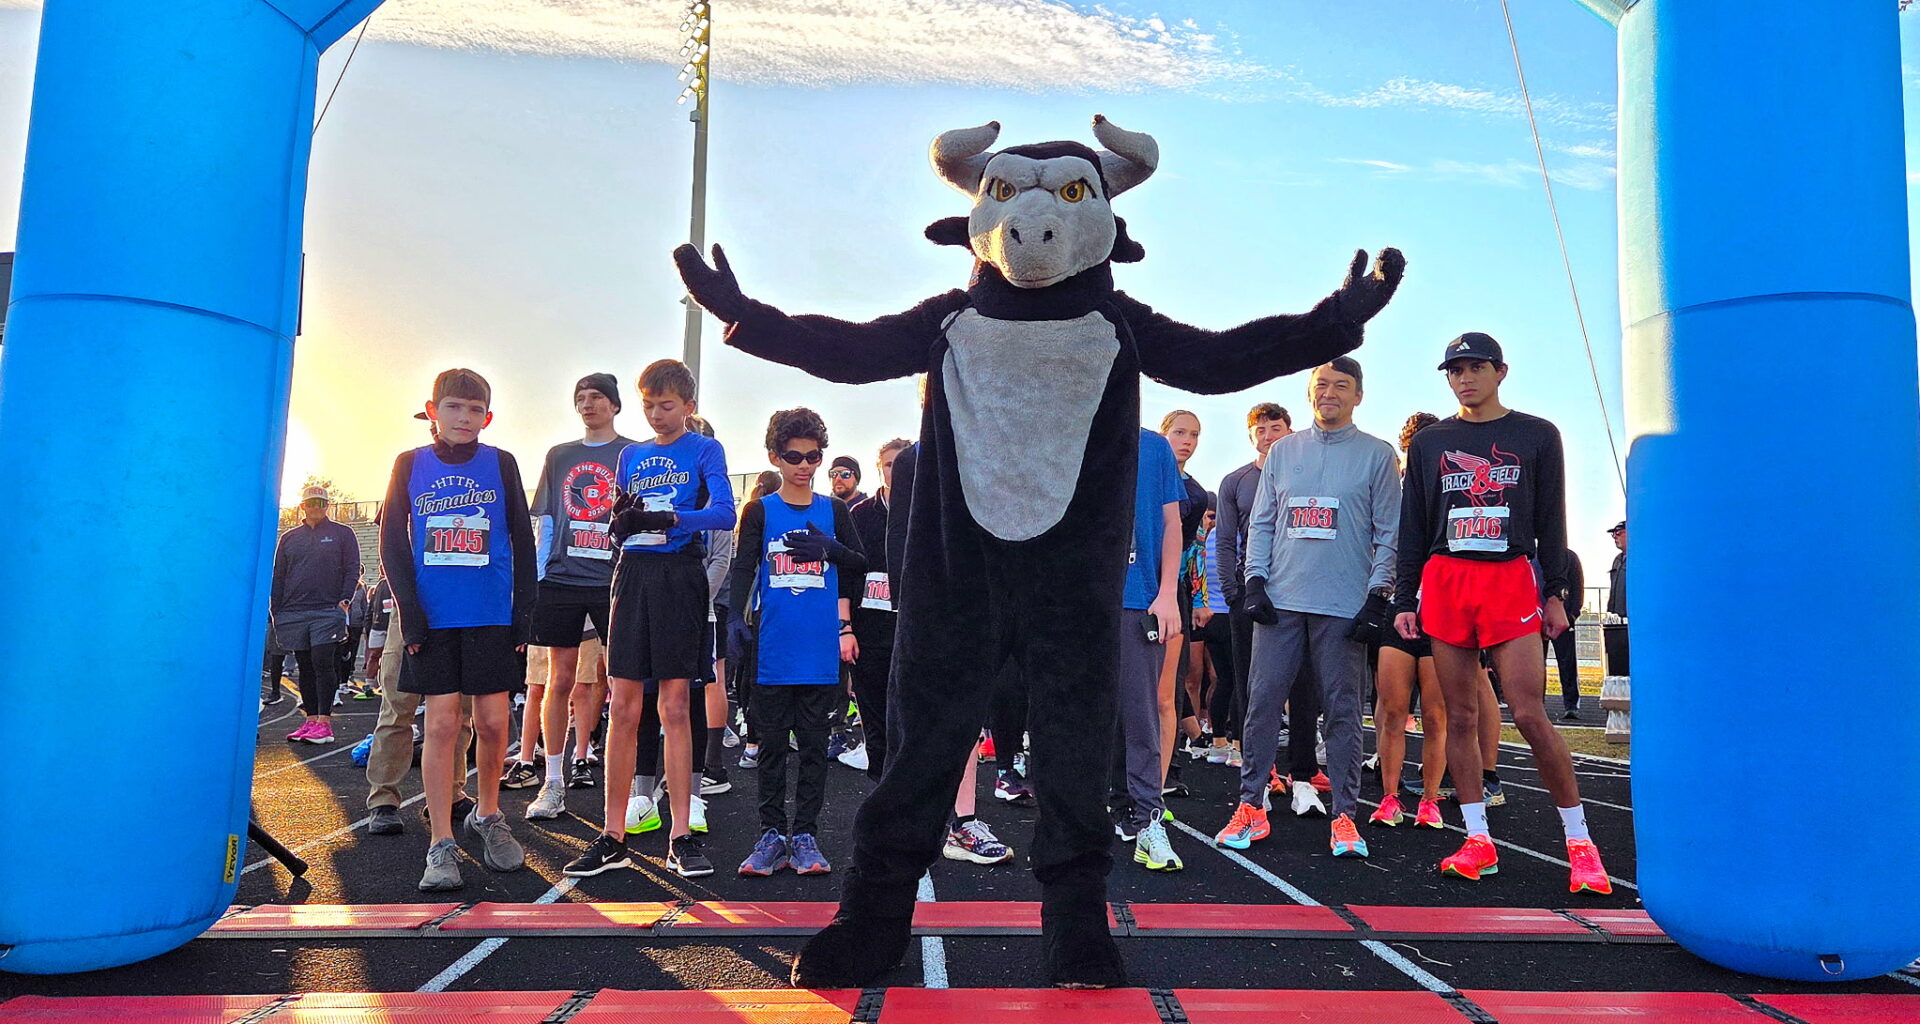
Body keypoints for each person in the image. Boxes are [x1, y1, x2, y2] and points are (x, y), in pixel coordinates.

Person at [1393, 333, 1612, 893]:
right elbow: (1414, 524)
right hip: (1446, 579)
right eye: (1454, 370)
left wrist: (1557, 591)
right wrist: (1404, 598)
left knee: (1529, 711)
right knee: (1460, 716)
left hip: (1511, 578)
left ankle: (1581, 844)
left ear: (1500, 371)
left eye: (1476, 367)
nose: (1464, 377)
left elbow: (1551, 519)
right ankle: (1476, 837)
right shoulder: (1431, 442)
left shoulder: (1537, 434)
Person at [1216, 357, 1399, 859]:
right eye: (1321, 385)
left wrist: (1378, 594)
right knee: (1261, 705)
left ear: (1358, 395)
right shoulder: (1283, 452)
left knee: (1342, 711)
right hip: (1280, 602)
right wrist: (1254, 580)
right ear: (1309, 394)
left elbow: (1389, 533)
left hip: (1343, 606)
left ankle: (1344, 815)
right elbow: (1264, 524)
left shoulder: (1377, 455)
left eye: (1341, 386)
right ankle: (1250, 803)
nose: (1330, 393)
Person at [566, 360, 735, 880]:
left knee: (677, 705)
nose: (657, 415)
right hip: (632, 576)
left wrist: (670, 517)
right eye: (649, 405)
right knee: (623, 705)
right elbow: (619, 522)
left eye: (667, 405)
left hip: (680, 576)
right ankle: (612, 833)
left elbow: (725, 512)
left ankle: (681, 833)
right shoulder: (631, 455)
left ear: (688, 406)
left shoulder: (705, 449)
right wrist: (621, 523)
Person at [380, 367, 535, 890]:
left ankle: (488, 814)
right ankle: (440, 841)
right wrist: (410, 609)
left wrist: (524, 612)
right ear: (432, 411)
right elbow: (391, 544)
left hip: (491, 613)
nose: (464, 418)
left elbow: (522, 537)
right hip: (435, 616)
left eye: (474, 410)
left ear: (487, 417)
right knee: (442, 725)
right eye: (454, 407)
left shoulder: (502, 463)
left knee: (494, 724)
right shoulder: (409, 464)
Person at [730, 409, 865, 876]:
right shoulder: (759, 511)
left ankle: (805, 836)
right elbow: (743, 569)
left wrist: (828, 548)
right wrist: (734, 622)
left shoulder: (836, 510)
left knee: (812, 749)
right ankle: (770, 835)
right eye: (794, 456)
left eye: (813, 456)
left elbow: (860, 564)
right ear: (775, 457)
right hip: (772, 651)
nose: (804, 465)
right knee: (769, 748)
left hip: (818, 654)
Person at [521, 374, 634, 817]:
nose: (588, 405)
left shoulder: (631, 453)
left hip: (613, 579)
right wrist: (537, 577)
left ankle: (626, 792)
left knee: (621, 681)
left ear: (615, 406)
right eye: (581, 399)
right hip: (562, 580)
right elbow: (547, 520)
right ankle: (552, 782)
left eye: (597, 398)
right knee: (558, 679)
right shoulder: (560, 455)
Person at [1370, 412, 1447, 831]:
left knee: (1436, 714)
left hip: (1441, 610)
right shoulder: (1393, 492)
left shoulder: (1451, 491)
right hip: (1396, 607)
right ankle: (1389, 796)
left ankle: (1431, 798)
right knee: (1392, 710)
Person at [1113, 429, 1186, 871]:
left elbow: (1172, 523)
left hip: (1138, 598)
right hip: (1073, 604)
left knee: (1141, 718)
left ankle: (1147, 822)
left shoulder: (1153, 447)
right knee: (1070, 719)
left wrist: (1167, 593)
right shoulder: (1062, 428)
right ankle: (1070, 824)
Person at [270, 483, 361, 745]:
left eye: (321, 503)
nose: (316, 507)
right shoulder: (289, 538)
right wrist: (276, 609)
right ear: (303, 506)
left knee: (323, 661)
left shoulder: (343, 534)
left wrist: (344, 601)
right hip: (294, 610)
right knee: (305, 666)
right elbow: (279, 575)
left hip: (327, 610)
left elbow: (352, 568)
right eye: (312, 503)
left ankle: (325, 722)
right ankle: (310, 720)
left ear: (328, 506)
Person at [1157, 411, 1209, 802]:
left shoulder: (1197, 493)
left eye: (1193, 434)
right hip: (1134, 584)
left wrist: (1196, 598)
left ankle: (1168, 769)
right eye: (1179, 432)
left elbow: (1192, 551)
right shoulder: (1139, 475)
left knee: (1170, 688)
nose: (1186, 440)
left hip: (1173, 591)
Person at [1553, 551, 1586, 720]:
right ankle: (1537, 704)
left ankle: (1571, 704)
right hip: (1535, 620)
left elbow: (1578, 586)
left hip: (1563, 620)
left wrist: (1572, 615)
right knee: (1535, 664)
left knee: (1567, 663)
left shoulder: (1569, 557)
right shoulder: (1532, 557)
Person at [1607, 521, 1627, 618]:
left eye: (1618, 533)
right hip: (1617, 617)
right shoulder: (1617, 560)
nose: (1615, 536)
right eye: (1613, 534)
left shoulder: (1640, 560)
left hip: (1633, 617)